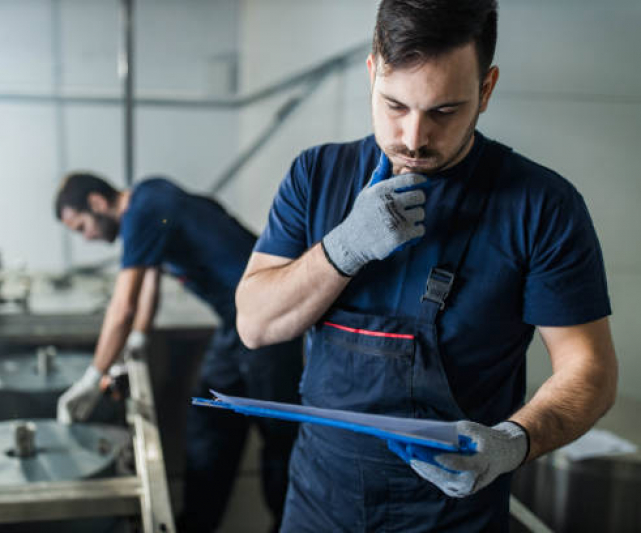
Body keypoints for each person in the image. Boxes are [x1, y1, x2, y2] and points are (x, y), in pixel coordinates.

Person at [234, 0, 617, 531]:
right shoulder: (315, 175)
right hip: (321, 504)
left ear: (485, 90)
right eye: (395, 105)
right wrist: (342, 249)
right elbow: (255, 323)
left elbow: (590, 371)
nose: (414, 139)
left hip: (451, 517)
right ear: (372, 72)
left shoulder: (540, 206)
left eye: (443, 111)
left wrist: (513, 443)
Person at [54, 173, 303, 532]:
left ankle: (287, 525)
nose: (87, 238)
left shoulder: (143, 210)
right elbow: (148, 283)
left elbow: (122, 305)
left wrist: (93, 377)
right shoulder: (150, 200)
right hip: (238, 324)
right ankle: (196, 525)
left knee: (279, 438)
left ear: (96, 203)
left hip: (269, 322)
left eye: (82, 227)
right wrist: (139, 337)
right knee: (210, 422)